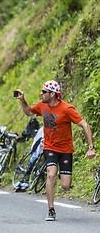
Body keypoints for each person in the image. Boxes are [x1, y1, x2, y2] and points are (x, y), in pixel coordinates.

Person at [15, 80, 95, 221]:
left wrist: (91, 148)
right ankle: (51, 209)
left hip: (65, 149)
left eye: (44, 92)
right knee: (51, 175)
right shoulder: (42, 105)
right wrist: (23, 100)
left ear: (52, 94)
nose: (41, 94)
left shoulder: (67, 109)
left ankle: (60, 176)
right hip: (49, 147)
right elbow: (28, 112)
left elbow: (85, 125)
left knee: (65, 185)